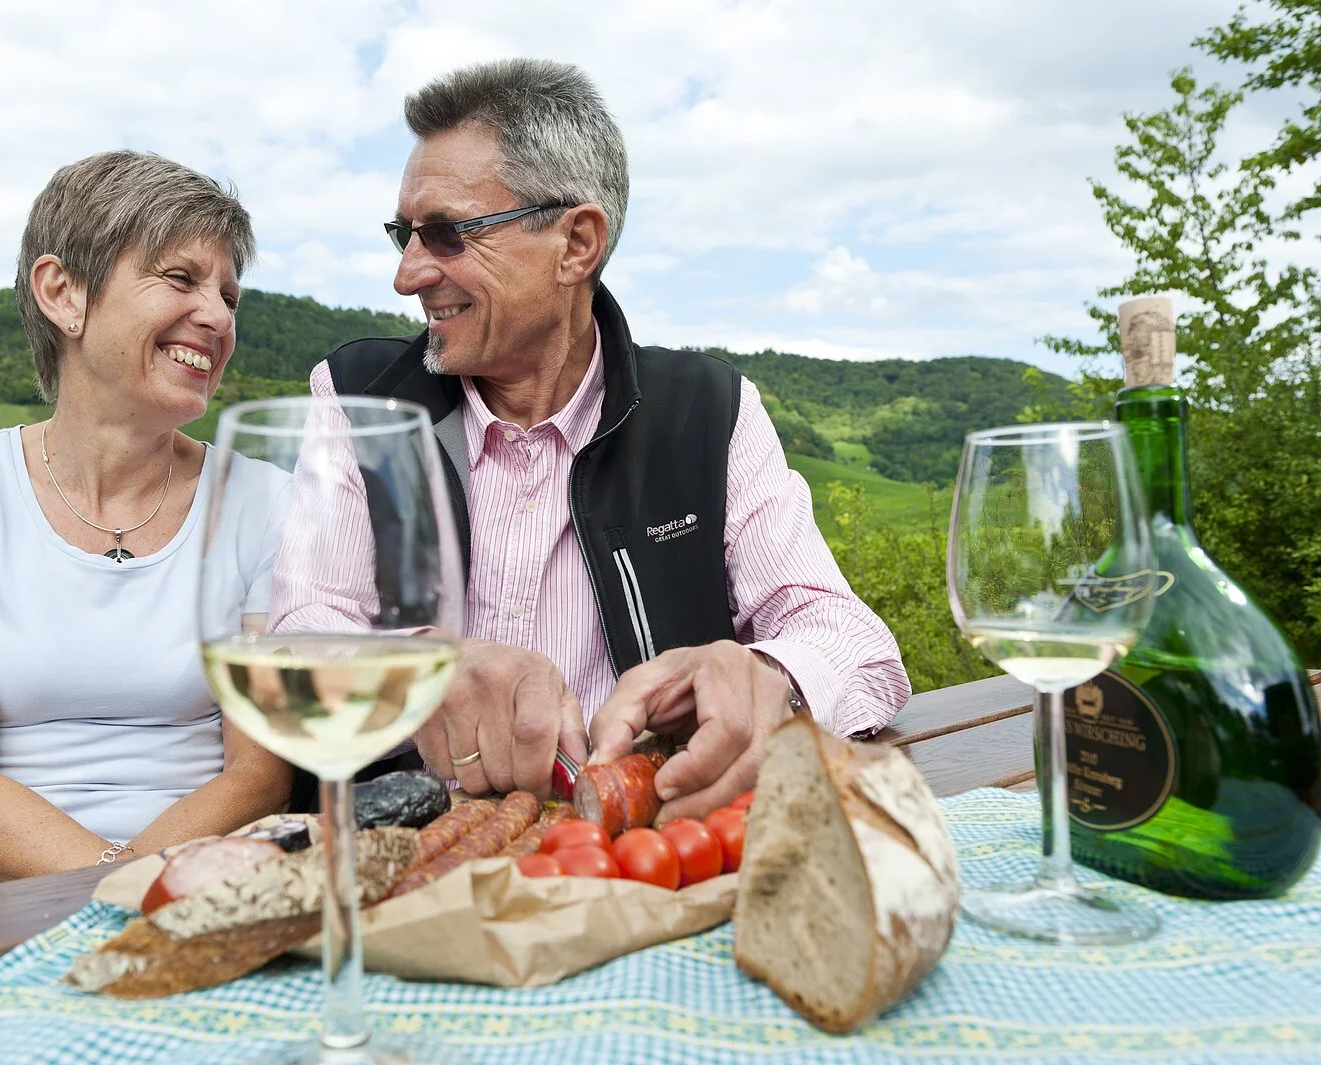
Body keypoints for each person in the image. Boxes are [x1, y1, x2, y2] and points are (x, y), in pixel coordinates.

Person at [295, 59, 911, 825]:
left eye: (447, 234)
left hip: (647, 853)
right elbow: (303, 630)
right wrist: (415, 676)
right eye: (404, 235)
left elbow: (855, 640)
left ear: (577, 243)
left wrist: (768, 677)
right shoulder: (360, 402)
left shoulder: (709, 410)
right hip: (412, 850)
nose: (408, 273)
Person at [0, 150, 293, 895]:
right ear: (62, 292)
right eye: (181, 278)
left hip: (202, 884)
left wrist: (144, 892)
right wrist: (113, 889)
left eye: (230, 294)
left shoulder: (265, 499)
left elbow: (258, 776)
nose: (218, 316)